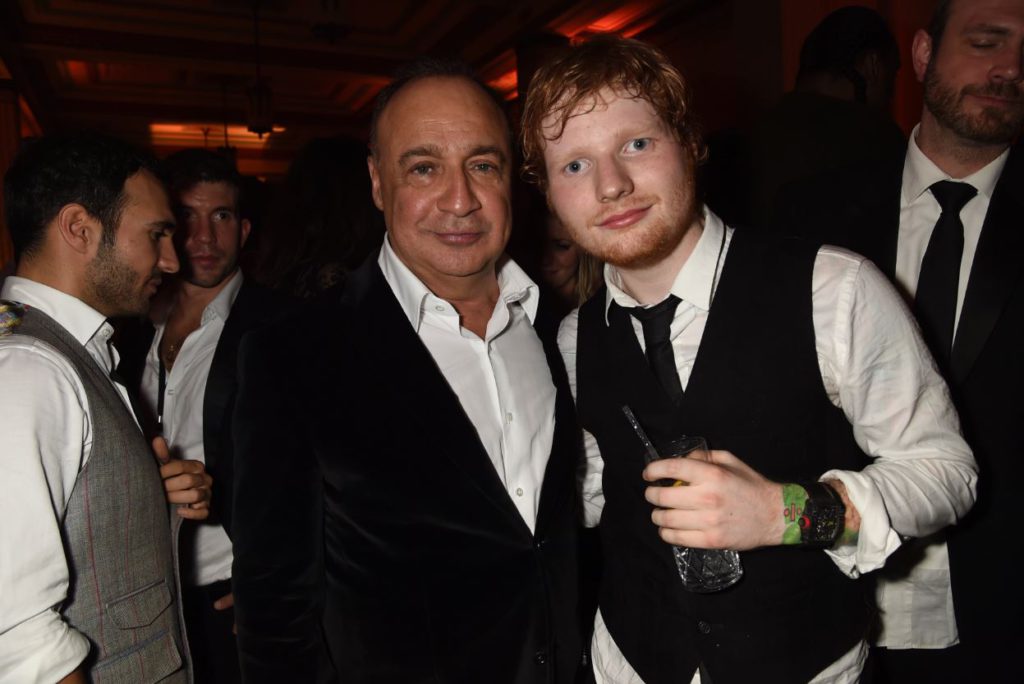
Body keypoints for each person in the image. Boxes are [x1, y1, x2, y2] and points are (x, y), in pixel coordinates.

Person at [520, 35, 978, 684]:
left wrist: (782, 513)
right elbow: (595, 490)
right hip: (627, 663)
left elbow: (947, 472)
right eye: (574, 165)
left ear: (690, 141)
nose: (611, 184)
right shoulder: (573, 338)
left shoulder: (832, 289)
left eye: (637, 144)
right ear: (548, 195)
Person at [231, 59, 582, 683]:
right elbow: (275, 614)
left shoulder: (565, 333)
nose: (460, 200)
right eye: (424, 168)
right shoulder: (293, 355)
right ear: (376, 182)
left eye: (483, 165)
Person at [778, 0, 1024, 680]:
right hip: (837, 607)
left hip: (1002, 619)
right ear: (921, 55)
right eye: (986, 42)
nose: (1010, 68)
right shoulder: (809, 213)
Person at [0, 133, 211, 683]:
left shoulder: (64, 354)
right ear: (79, 228)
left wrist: (139, 493)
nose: (172, 259)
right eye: (157, 234)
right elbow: (19, 640)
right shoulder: (29, 367)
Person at [134, 148, 272, 683]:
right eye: (187, 217)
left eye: (221, 216)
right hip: (148, 594)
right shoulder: (128, 326)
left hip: (231, 594)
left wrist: (278, 581)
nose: (205, 237)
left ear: (244, 229)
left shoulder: (279, 326)